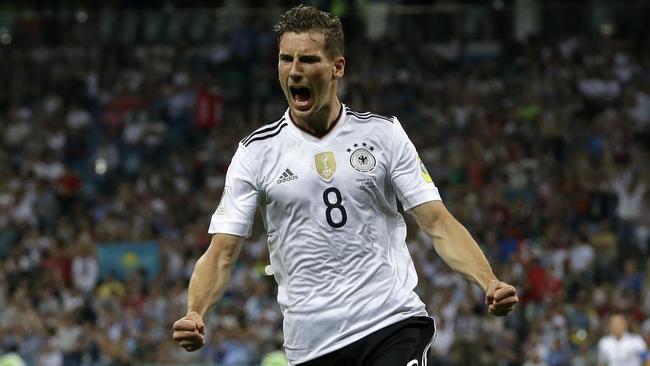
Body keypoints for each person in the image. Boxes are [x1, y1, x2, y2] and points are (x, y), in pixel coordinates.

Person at [172, 5, 518, 365]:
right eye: (285, 59)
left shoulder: (384, 135)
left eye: (307, 60)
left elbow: (438, 223)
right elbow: (221, 252)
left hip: (390, 324)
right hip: (311, 345)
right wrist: (195, 312)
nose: (294, 71)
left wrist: (488, 281)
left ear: (337, 67)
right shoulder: (255, 153)